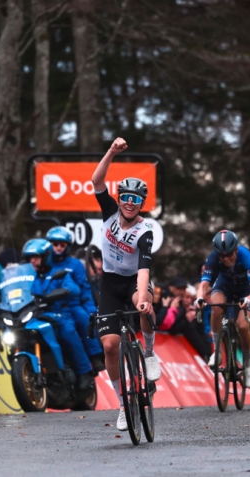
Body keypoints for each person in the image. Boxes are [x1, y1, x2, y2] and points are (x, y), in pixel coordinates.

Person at [91, 137, 160, 431]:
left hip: (133, 281)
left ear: (141, 203)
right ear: (120, 199)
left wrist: (143, 298)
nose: (130, 203)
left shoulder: (145, 232)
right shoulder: (109, 213)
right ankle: (122, 404)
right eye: (126, 198)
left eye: (136, 200)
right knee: (109, 347)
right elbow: (96, 180)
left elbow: (143, 269)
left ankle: (148, 352)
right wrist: (111, 152)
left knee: (143, 306)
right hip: (109, 282)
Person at [22, 238, 94, 392]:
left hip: (59, 313)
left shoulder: (58, 273)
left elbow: (74, 288)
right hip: (35, 315)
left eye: (35, 257)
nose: (32, 261)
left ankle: (84, 371)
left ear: (45, 257)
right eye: (30, 258)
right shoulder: (27, 278)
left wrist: (63, 291)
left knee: (67, 331)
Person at [195, 229, 250, 389]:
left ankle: (248, 365)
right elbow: (204, 284)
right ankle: (217, 352)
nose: (225, 259)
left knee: (242, 325)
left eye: (229, 255)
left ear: (236, 250)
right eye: (222, 256)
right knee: (216, 307)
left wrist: (248, 299)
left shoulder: (246, 257)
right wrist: (198, 298)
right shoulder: (212, 258)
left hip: (246, 291)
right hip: (225, 286)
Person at [46, 226, 105, 371]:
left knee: (84, 319)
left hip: (72, 304)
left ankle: (95, 356)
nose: (58, 247)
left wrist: (91, 311)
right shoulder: (44, 263)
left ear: (67, 246)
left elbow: (85, 290)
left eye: (62, 244)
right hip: (49, 306)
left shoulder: (75, 264)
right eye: (55, 244)